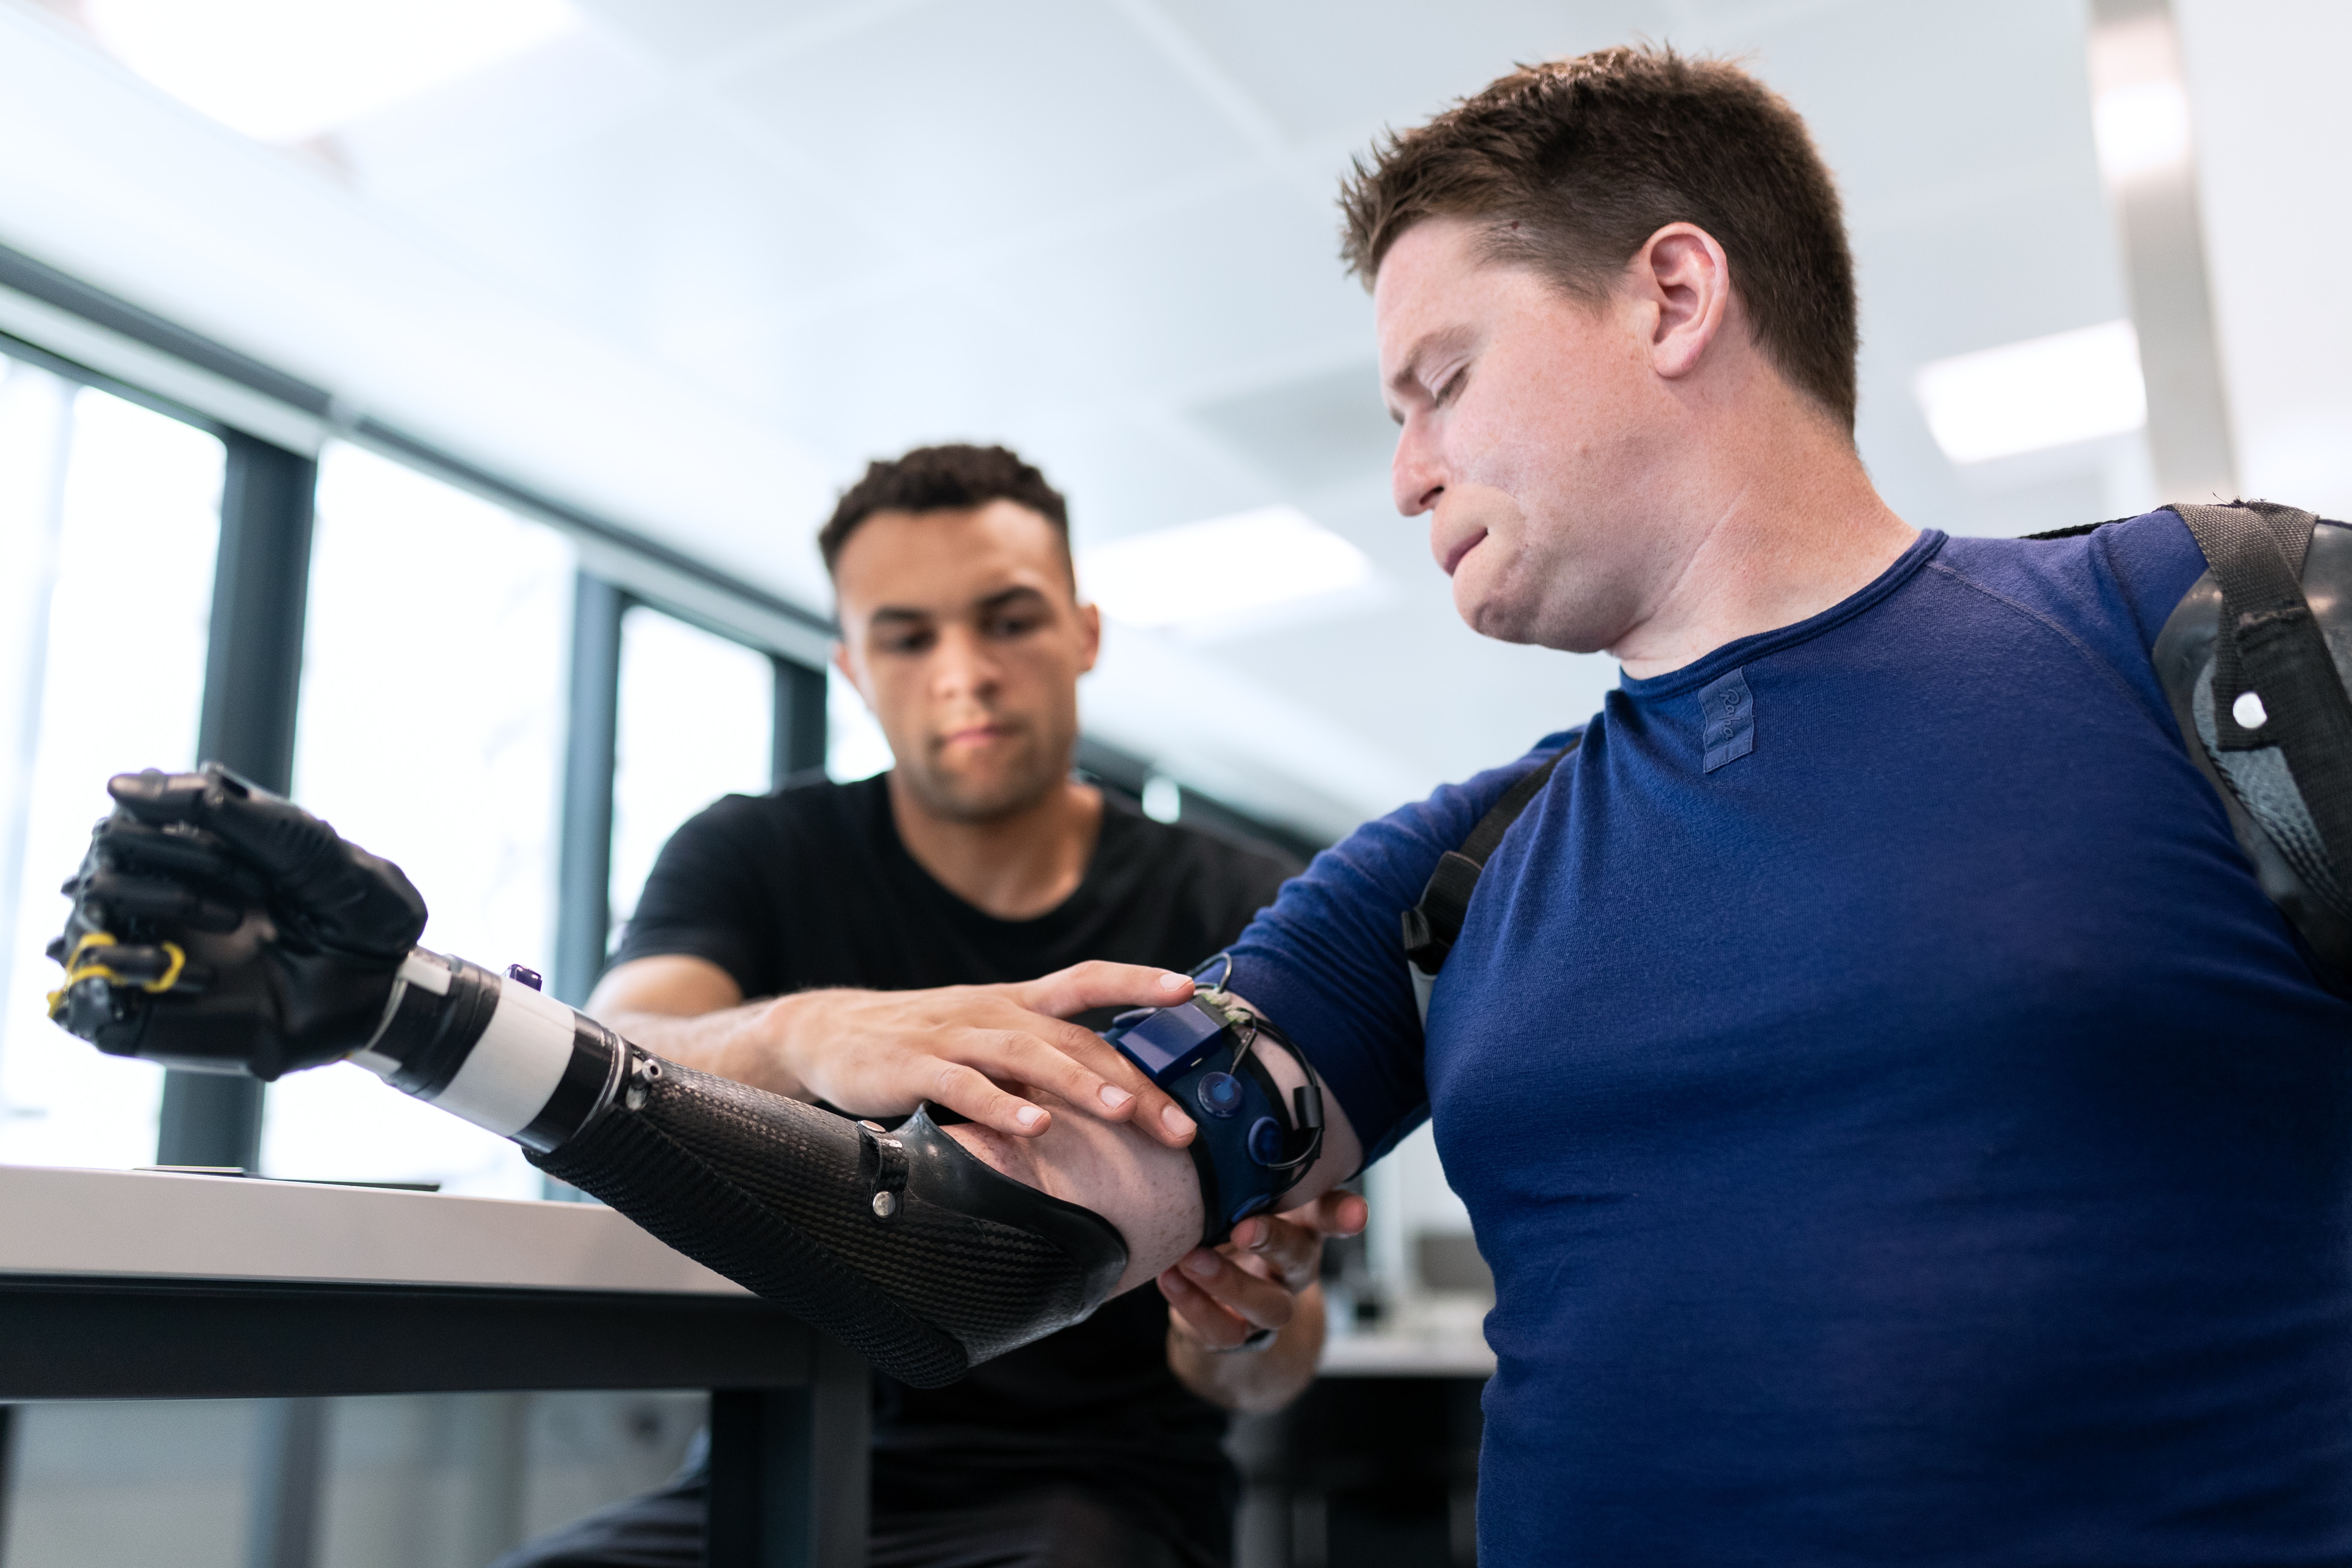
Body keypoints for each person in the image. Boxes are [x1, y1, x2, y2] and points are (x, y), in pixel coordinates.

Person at [54, 42, 2352, 1568]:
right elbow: (961, 1254)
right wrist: (419, 1008)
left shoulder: (2218, 634)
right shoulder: (1446, 882)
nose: (1406, 466)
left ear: (1674, 295)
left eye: (1441, 377)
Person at [501, 444, 1350, 1568]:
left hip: (1098, 1498)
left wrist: (1244, 1317)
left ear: (1084, 635)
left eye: (1008, 621)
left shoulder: (1244, 907)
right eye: (908, 637)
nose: (964, 672)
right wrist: (798, 1030)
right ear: (854, 668)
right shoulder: (753, 855)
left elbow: (1268, 1368)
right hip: (781, 1460)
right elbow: (611, 1056)